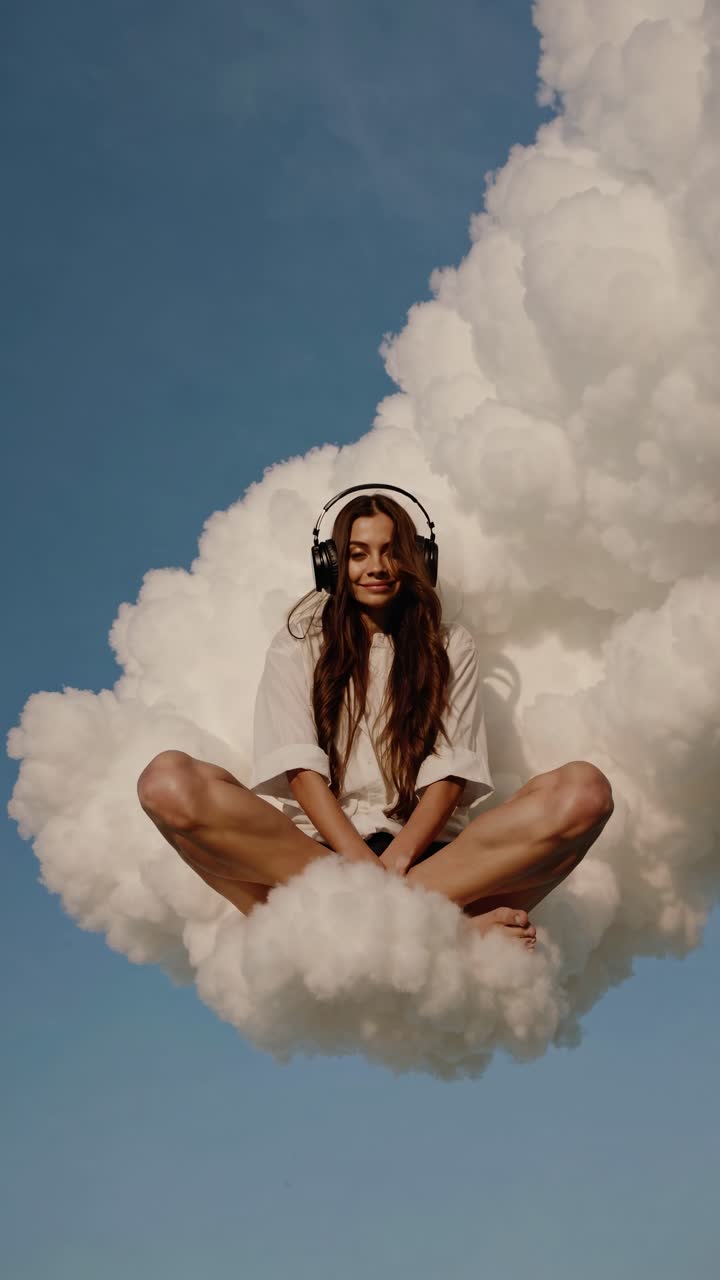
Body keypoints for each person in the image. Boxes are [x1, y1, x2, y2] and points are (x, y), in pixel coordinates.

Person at [137, 493, 614, 951]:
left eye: (392, 551)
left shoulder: (452, 645)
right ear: (331, 565)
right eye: (358, 554)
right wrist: (361, 869)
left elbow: (448, 778)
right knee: (166, 784)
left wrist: (393, 869)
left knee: (585, 793)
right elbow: (301, 772)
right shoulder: (296, 645)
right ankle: (449, 930)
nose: (378, 567)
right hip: (315, 861)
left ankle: (348, 925)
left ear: (417, 560)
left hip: (433, 862)